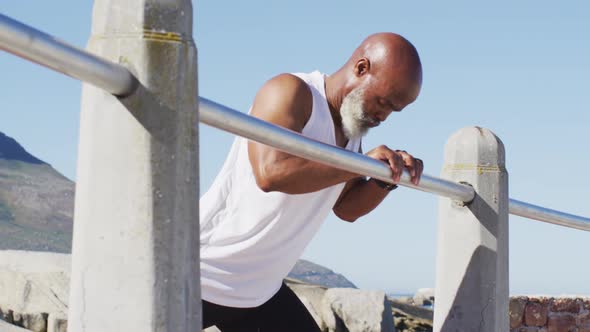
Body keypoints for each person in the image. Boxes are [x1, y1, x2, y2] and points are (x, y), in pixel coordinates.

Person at [200, 32, 424, 331]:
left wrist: (386, 178)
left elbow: (346, 209)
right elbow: (271, 172)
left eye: (394, 110)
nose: (383, 115)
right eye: (382, 101)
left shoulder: (351, 131)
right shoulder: (291, 91)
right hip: (206, 273)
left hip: (261, 289)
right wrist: (359, 164)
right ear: (361, 68)